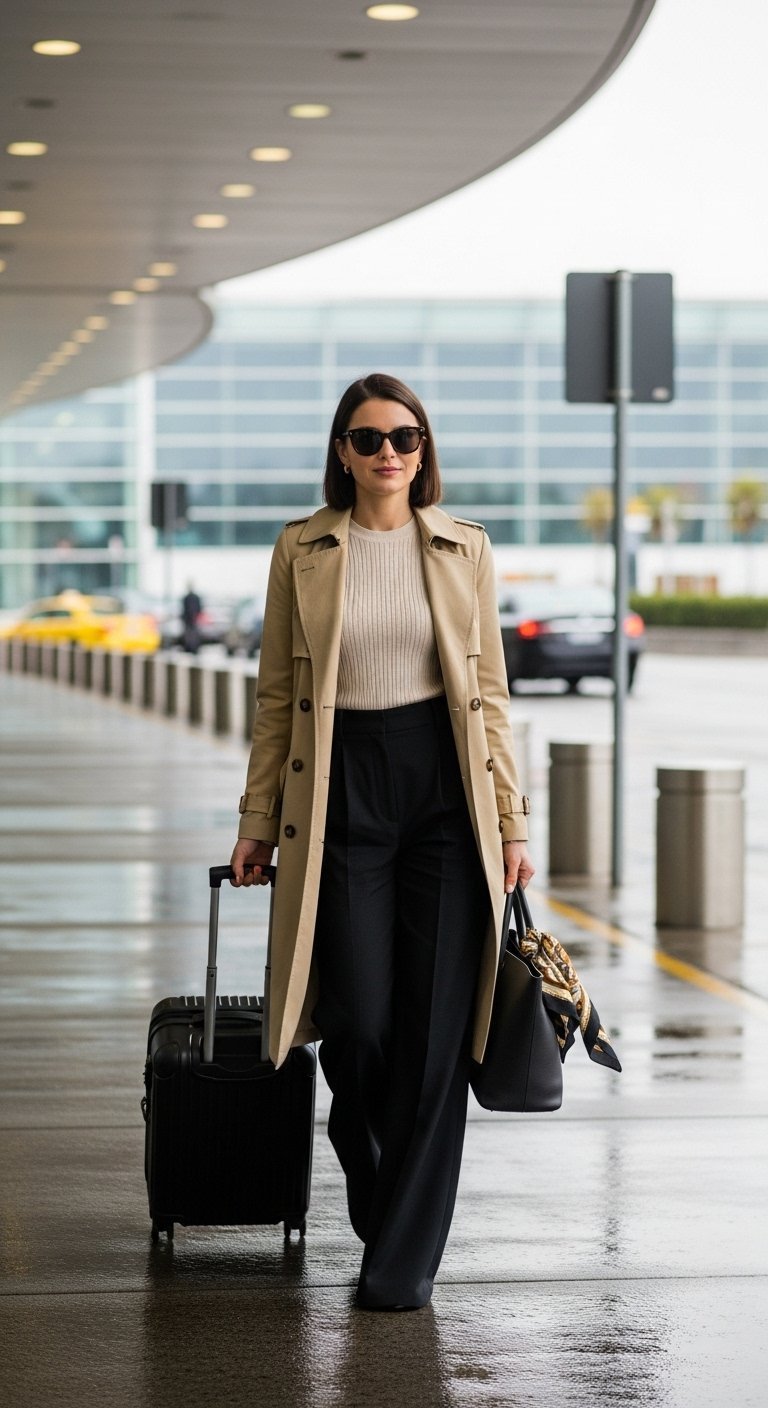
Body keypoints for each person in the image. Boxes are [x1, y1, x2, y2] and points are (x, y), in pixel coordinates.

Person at [230, 373, 534, 1310]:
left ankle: (401, 1257)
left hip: (445, 795)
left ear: (424, 449)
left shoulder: (464, 549)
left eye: (405, 437)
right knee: (358, 1024)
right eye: (368, 439)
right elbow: (277, 693)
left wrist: (513, 822)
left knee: (438, 1034)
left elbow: (488, 696)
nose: (389, 452)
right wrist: (254, 821)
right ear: (342, 451)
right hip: (341, 792)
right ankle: (371, 1168)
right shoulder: (303, 550)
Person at [181, 583, 202, 654]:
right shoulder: (194, 597)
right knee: (192, 634)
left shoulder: (186, 598)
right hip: (191, 619)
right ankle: (192, 648)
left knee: (191, 635)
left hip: (190, 620)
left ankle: (191, 648)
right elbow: (199, 609)